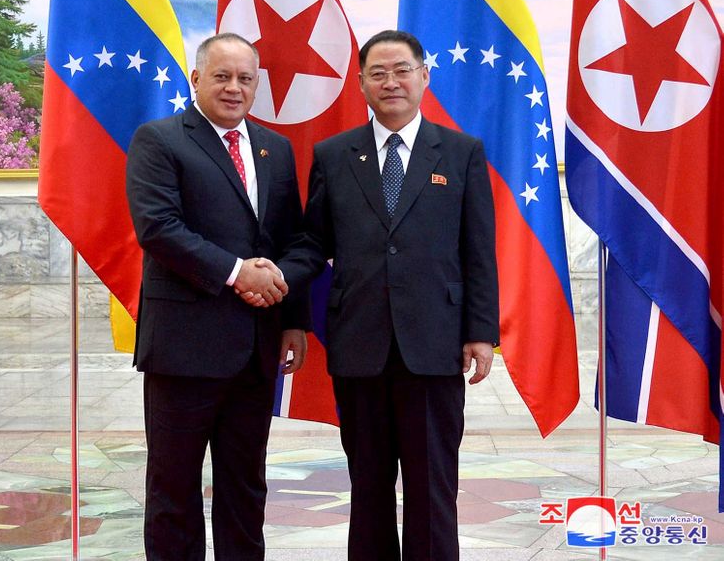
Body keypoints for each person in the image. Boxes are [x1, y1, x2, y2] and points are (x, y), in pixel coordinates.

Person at [281, 29, 499, 561]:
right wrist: (286, 302)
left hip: (435, 343)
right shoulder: (334, 155)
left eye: (402, 70)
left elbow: (479, 248)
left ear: (425, 76)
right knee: (369, 488)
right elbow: (312, 243)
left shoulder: (461, 152)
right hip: (359, 345)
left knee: (432, 488)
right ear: (360, 84)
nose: (391, 82)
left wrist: (480, 331)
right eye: (377, 73)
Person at [125, 32, 310, 561]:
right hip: (184, 348)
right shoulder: (159, 140)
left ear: (257, 86)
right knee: (174, 488)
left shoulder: (276, 148)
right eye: (223, 76)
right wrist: (236, 273)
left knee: (245, 485)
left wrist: (292, 316)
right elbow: (158, 228)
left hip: (256, 347)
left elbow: (289, 238)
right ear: (197, 79)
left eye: (245, 78)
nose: (234, 88)